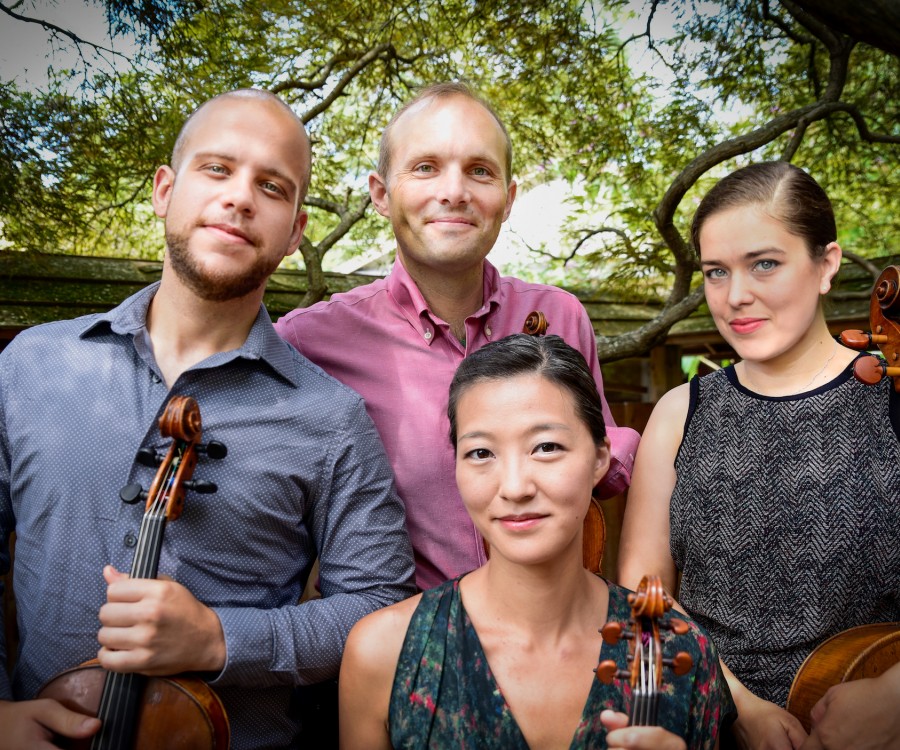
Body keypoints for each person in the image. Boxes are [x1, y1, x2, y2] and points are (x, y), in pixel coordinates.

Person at [0, 89, 416, 750]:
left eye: (272, 187)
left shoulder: (332, 419)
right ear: (166, 188)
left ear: (294, 231)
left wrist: (220, 637)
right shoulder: (29, 365)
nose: (240, 197)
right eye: (216, 169)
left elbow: (380, 608)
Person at [275, 82, 640, 591]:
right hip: (399, 649)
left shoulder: (558, 314)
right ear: (381, 194)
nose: (454, 192)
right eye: (425, 168)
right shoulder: (306, 343)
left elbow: (599, 461)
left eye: (480, 171)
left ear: (508, 199)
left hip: (555, 635)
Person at [617, 161, 900, 750]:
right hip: (703, 719)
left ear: (827, 264)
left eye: (764, 263)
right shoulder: (678, 412)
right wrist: (737, 705)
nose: (736, 296)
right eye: (716, 272)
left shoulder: (891, 397)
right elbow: (642, 602)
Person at [339, 334, 733, 749]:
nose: (514, 487)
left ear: (601, 458)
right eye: (480, 453)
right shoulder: (385, 650)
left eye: (546, 447)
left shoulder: (680, 648)